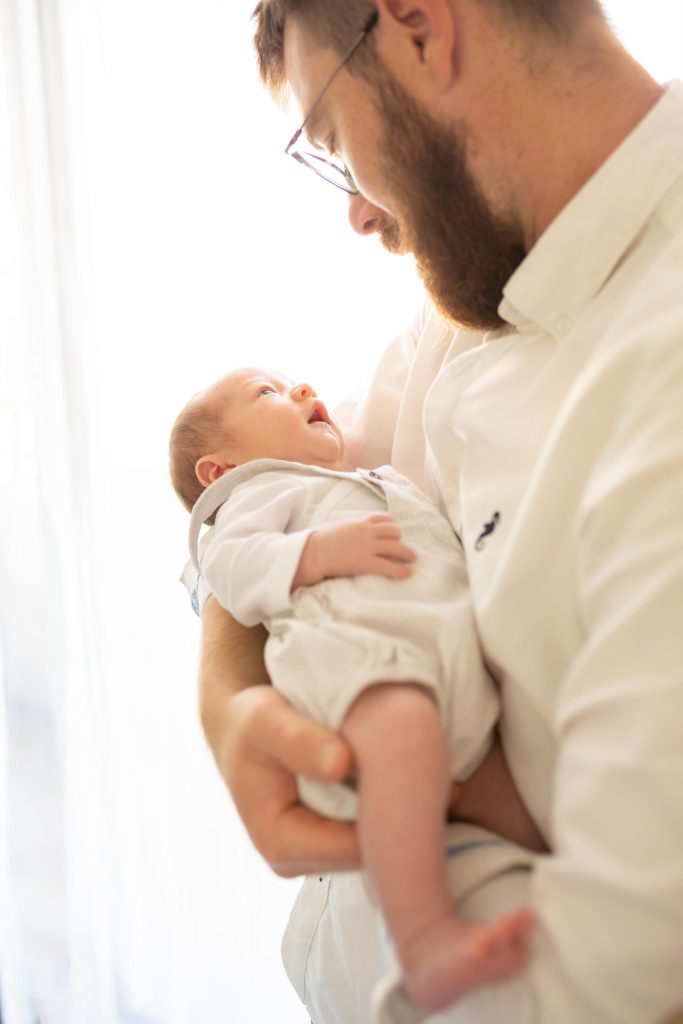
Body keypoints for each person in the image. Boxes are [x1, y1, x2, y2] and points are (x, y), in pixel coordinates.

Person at [194, 1, 683, 1021]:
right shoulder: (469, 298)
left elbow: (601, 985)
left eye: (330, 142)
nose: (357, 214)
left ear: (419, 27)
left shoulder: (658, 373)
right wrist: (230, 693)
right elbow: (258, 499)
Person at [171, 366, 543, 1014]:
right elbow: (228, 568)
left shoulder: (343, 476)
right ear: (218, 471)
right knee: (403, 746)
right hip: (361, 672)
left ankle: (570, 898)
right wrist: (316, 554)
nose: (304, 392)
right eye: (269, 393)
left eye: (293, 384)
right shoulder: (258, 493)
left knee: (524, 818)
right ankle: (425, 943)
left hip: (442, 673)